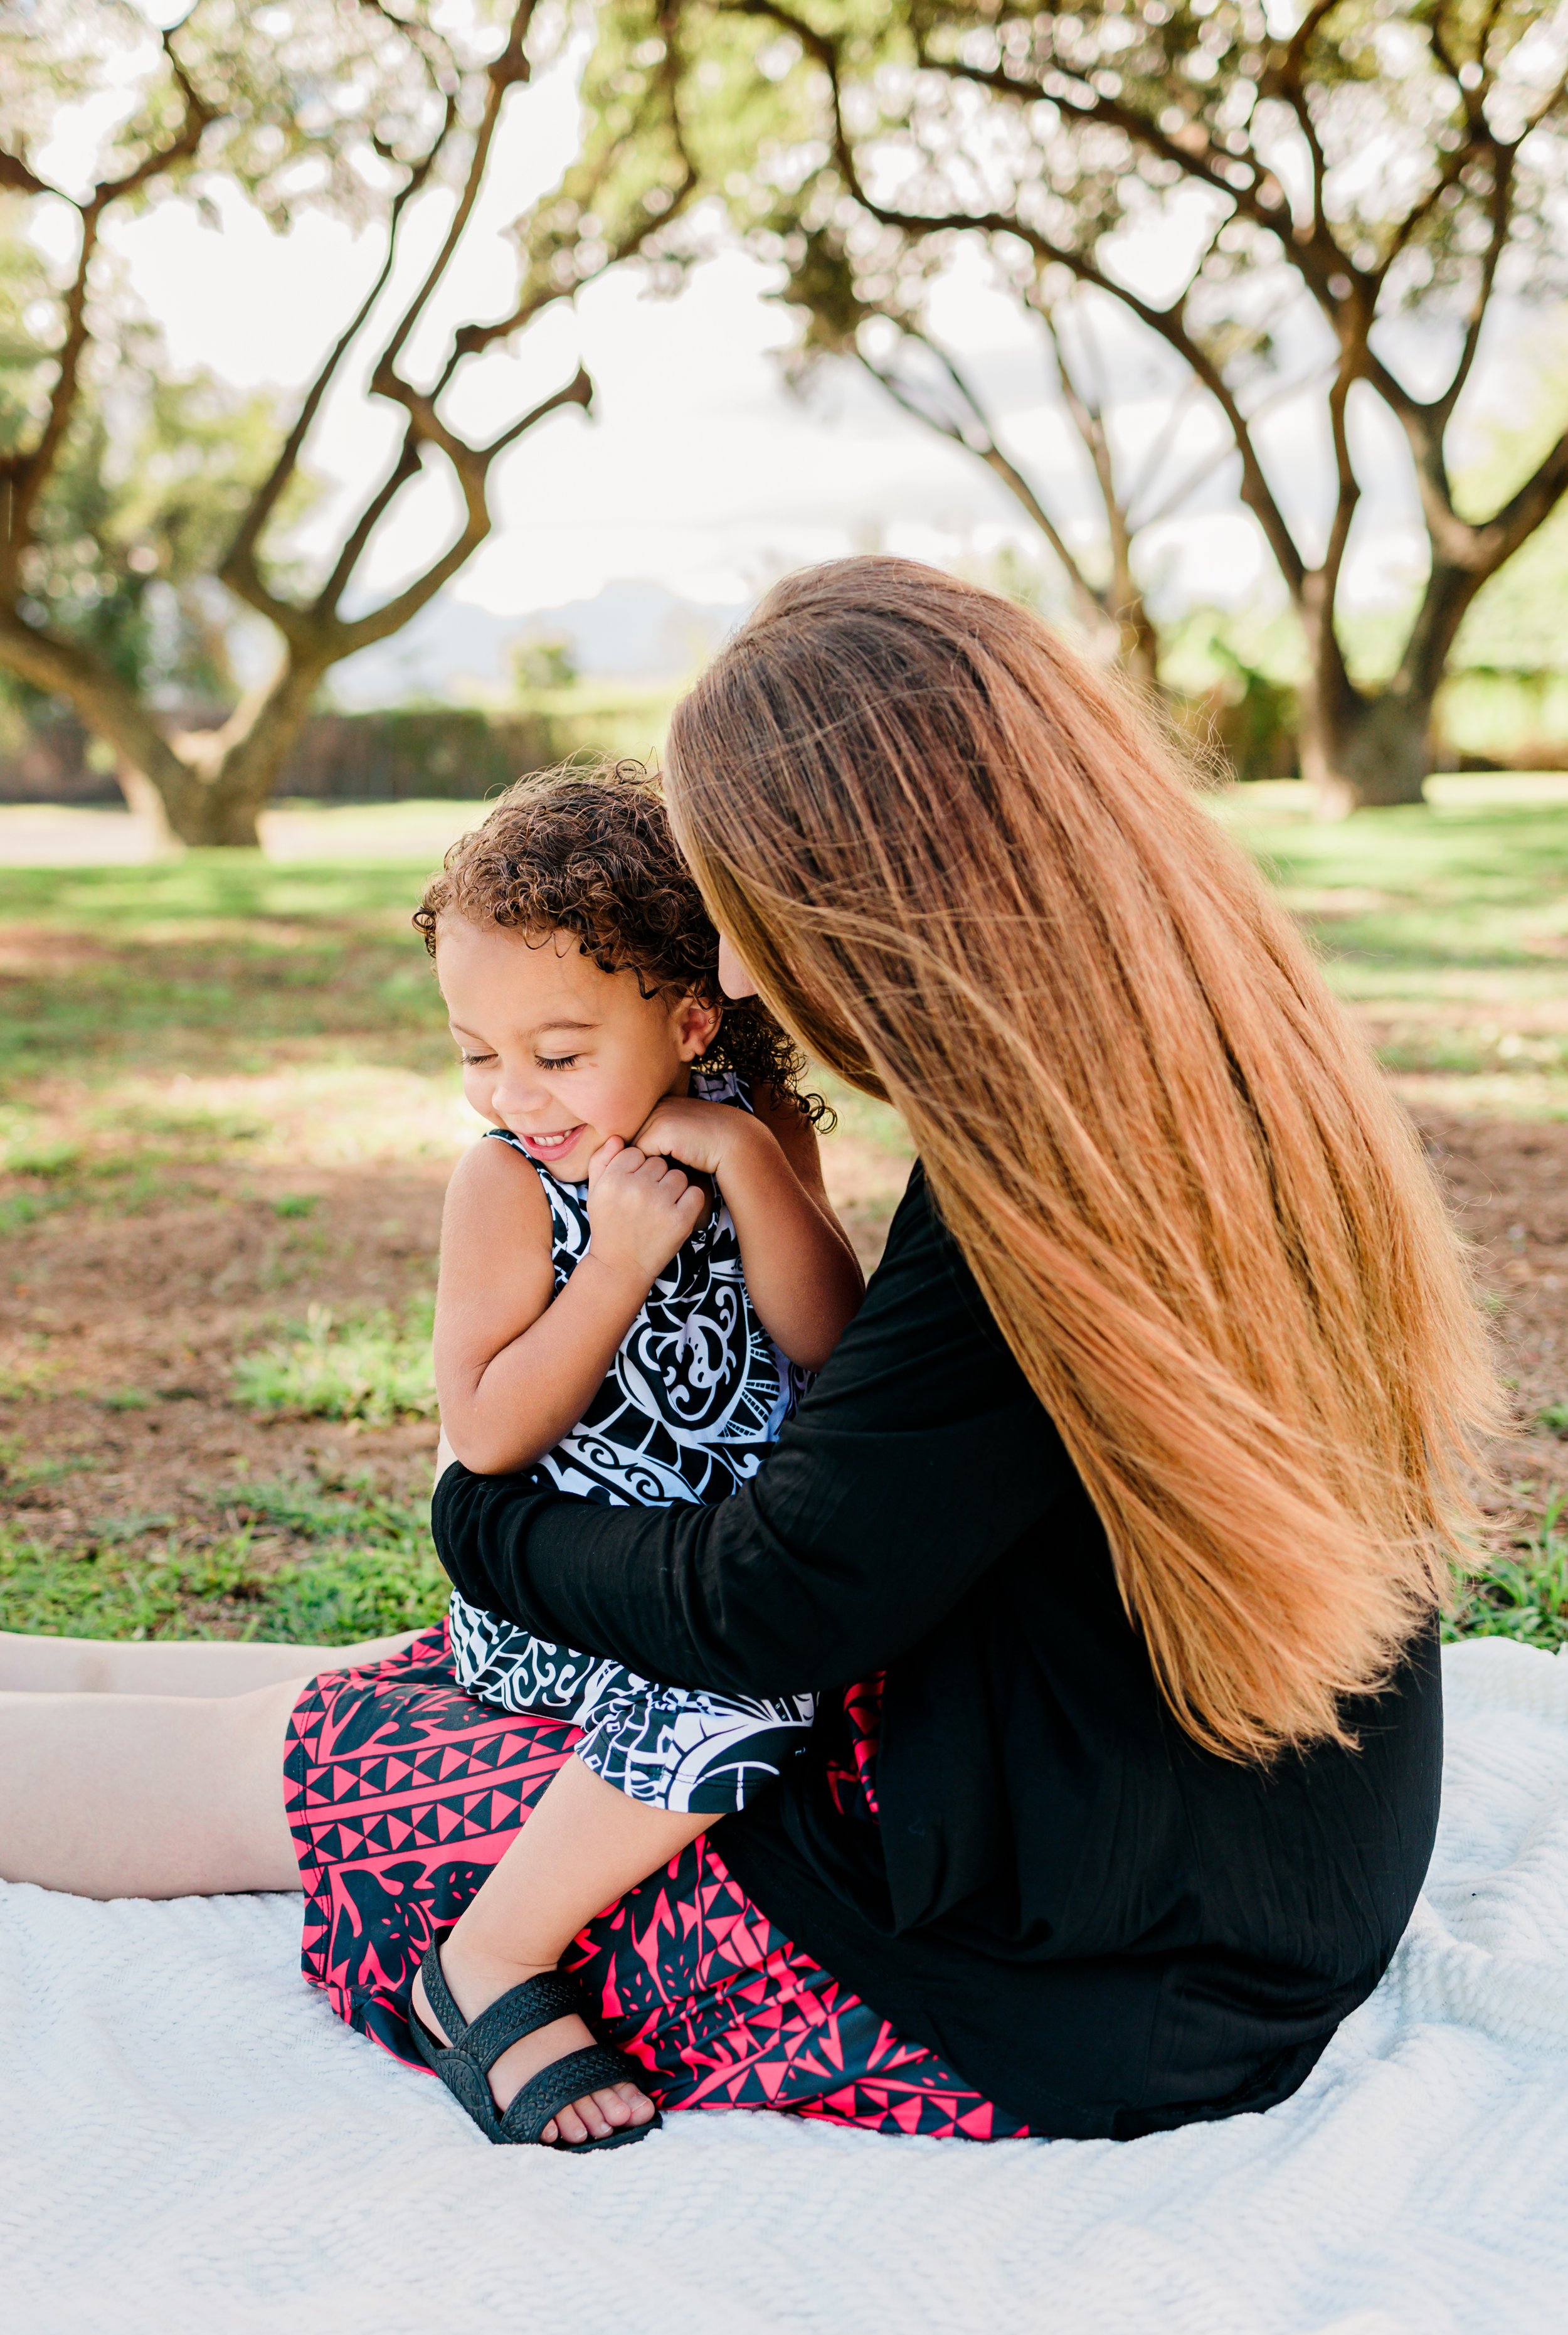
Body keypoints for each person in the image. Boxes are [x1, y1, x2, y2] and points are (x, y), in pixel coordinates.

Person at [0, 556, 1495, 2149]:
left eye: (741, 917)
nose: (726, 975)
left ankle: (466, 1952)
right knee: (383, 1693)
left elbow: (766, 1604)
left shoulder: (1034, 1211)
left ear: (874, 895)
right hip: (1195, 1862)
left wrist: (480, 1523)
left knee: (297, 1770)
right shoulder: (1209, 1069)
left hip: (1064, 1980)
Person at [409, 766, 862, 2147]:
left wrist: (740, 1157)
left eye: (557, 1052)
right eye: (474, 1050)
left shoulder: (750, 1129)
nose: (512, 1092)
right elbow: (481, 1431)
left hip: (722, 1567)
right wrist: (613, 1263)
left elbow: (832, 1345)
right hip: (571, 1602)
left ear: (685, 1018)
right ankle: (484, 1962)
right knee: (757, 1701)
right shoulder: (505, 1184)